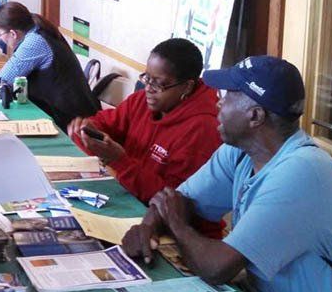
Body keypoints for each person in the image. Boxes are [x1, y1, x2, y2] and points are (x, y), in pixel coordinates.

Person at [121, 56, 332, 292]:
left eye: (227, 98)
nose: (217, 104)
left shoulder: (303, 171)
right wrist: (149, 226)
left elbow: (217, 267)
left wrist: (176, 224)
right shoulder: (240, 151)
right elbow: (175, 199)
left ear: (255, 116)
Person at [68, 38, 223, 236]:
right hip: (133, 201)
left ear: (186, 87)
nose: (148, 88)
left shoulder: (203, 128)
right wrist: (87, 130)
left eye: (158, 84)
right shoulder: (142, 100)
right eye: (147, 78)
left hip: (178, 231)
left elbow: (175, 203)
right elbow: (104, 123)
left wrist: (120, 161)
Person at [0, 1, 99, 131]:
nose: (0, 39)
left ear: (13, 34)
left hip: (72, 121)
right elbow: (12, 72)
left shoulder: (35, 41)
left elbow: (2, 81)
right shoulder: (38, 30)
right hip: (68, 112)